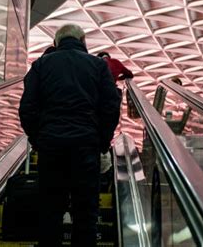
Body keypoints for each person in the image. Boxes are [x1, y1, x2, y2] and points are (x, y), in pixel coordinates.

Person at [19, 24, 121, 246]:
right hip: (85, 148)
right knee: (85, 216)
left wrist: (38, 139)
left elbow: (27, 108)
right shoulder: (97, 66)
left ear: (56, 43)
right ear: (83, 40)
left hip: (51, 148)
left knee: (50, 213)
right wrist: (102, 142)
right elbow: (111, 107)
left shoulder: (41, 65)